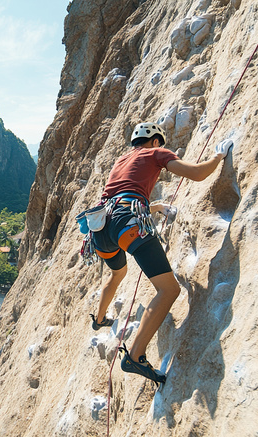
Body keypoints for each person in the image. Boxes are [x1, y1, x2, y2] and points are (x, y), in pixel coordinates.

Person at [90, 122, 233, 384]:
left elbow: (122, 194)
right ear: (156, 141)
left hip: (100, 228)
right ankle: (134, 356)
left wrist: (154, 207)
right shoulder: (156, 153)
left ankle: (98, 318)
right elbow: (198, 173)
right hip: (126, 223)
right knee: (168, 289)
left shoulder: (121, 160)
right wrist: (218, 156)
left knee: (117, 272)